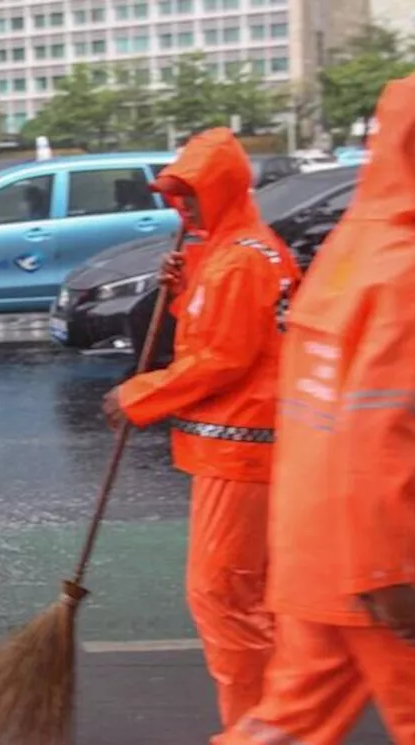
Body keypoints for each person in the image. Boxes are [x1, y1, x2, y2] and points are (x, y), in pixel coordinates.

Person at [217, 66, 415, 745]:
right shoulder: (410, 269)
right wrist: (385, 570)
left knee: (286, 728)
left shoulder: (350, 248)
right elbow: (375, 430)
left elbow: (323, 416)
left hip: (316, 553)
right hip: (404, 561)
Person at [100, 127, 302, 734]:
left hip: (240, 457)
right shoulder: (242, 249)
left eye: (191, 193)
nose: (181, 206)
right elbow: (223, 327)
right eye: (176, 194)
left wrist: (139, 396)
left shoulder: (241, 258)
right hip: (249, 456)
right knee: (254, 602)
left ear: (222, 190)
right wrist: (187, 278)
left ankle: (257, 730)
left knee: (225, 600)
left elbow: (223, 358)